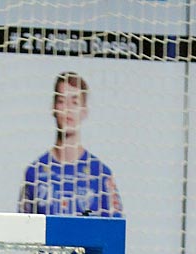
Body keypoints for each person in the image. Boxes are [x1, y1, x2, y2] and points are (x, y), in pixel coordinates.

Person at [17, 72, 122, 217]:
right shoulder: (34, 172)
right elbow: (23, 230)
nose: (68, 109)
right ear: (53, 108)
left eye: (74, 102)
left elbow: (115, 232)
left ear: (84, 111)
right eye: (61, 101)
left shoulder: (101, 174)